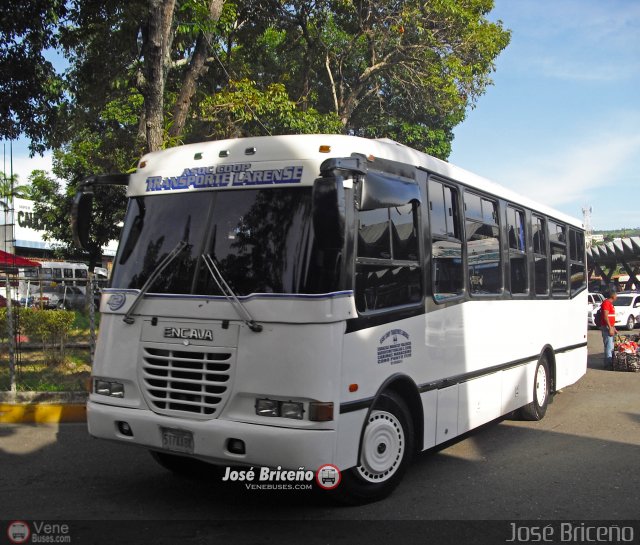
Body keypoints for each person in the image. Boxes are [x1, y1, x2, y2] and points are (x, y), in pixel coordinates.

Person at [600, 289, 617, 369]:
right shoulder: (606, 303)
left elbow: (610, 317)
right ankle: (608, 365)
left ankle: (610, 363)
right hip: (607, 327)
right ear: (613, 296)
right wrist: (610, 328)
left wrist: (613, 327)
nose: (617, 297)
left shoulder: (610, 304)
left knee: (611, 346)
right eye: (616, 295)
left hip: (610, 327)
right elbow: (605, 316)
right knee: (609, 346)